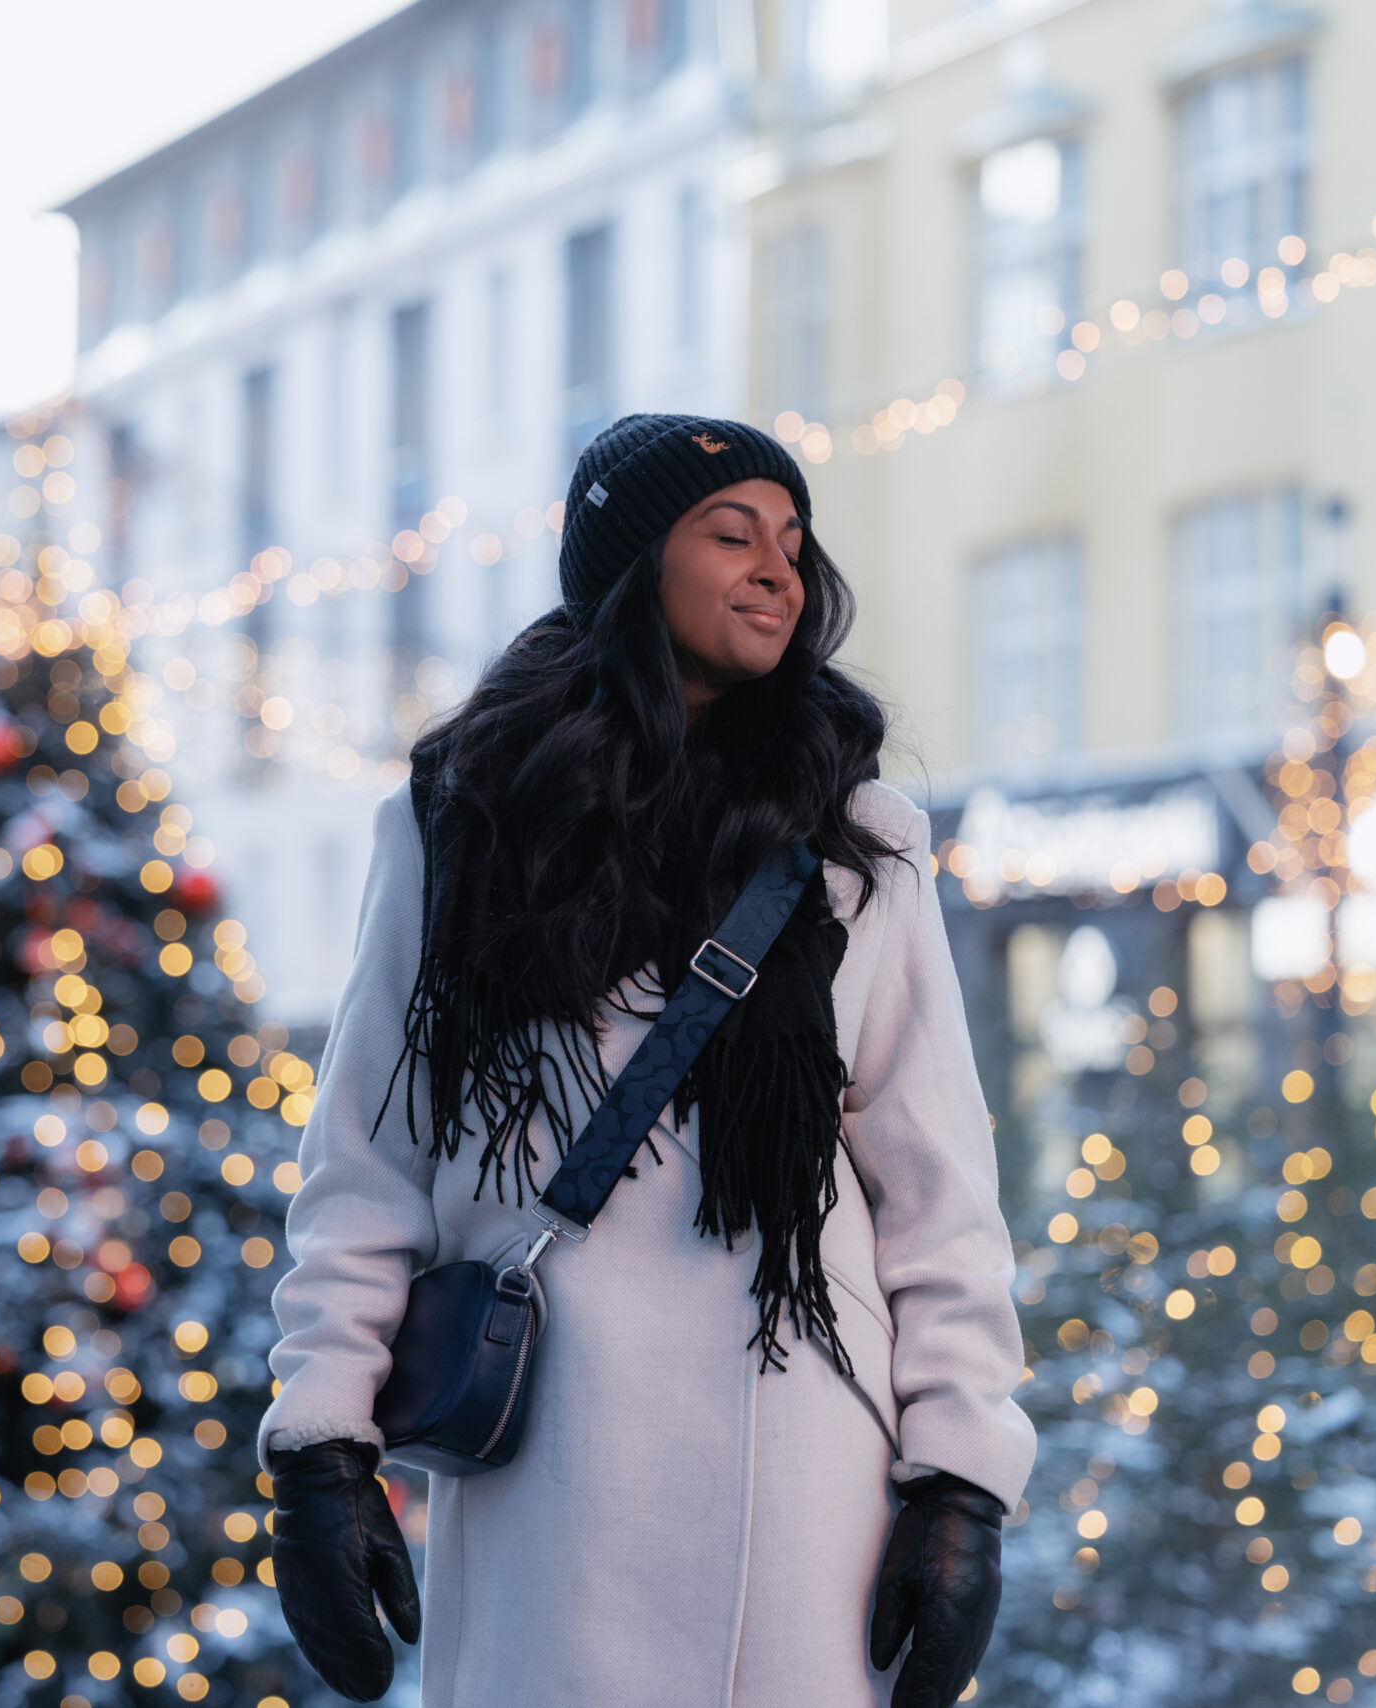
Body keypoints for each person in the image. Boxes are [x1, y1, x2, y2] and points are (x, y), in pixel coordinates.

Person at [256, 415, 1037, 1707]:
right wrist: (320, 1447)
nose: (779, 571)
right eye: (732, 535)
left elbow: (940, 1196)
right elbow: (369, 1164)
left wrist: (960, 1478)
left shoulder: (858, 842)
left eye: (794, 543)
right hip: (545, 1468)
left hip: (802, 1474)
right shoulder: (461, 817)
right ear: (630, 567)